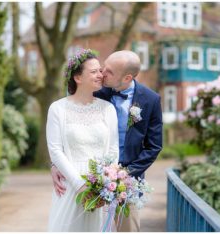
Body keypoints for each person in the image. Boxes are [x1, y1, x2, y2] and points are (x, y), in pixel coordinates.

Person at [51, 50, 163, 232]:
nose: (102, 73)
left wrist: (123, 175)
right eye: (104, 67)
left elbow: (154, 146)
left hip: (127, 184)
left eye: (109, 71)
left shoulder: (150, 100)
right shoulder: (96, 90)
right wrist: (54, 164)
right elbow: (68, 130)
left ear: (127, 78)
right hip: (89, 177)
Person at [46, 49, 119, 231]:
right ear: (78, 78)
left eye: (100, 70)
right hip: (71, 184)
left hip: (100, 186)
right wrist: (79, 185)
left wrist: (105, 182)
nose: (100, 75)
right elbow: (55, 150)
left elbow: (113, 148)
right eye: (93, 71)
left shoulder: (108, 109)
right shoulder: (58, 109)